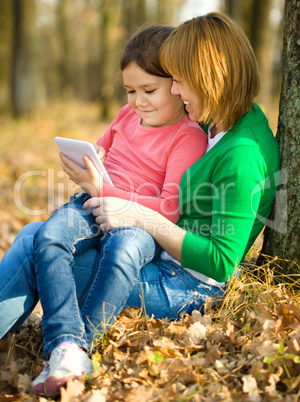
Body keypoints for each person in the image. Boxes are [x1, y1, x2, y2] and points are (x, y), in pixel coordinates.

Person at [0, 12, 280, 397]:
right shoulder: (218, 119)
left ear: (210, 78)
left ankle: (70, 347)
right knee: (37, 235)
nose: (176, 92)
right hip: (159, 256)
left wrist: (137, 213)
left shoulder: (242, 155)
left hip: (184, 282)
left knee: (34, 245)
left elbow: (219, 261)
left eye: (180, 80)